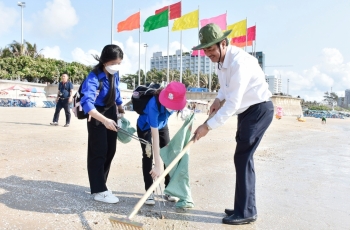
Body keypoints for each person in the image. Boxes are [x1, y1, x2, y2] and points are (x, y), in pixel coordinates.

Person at [192, 23, 274, 225]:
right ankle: (242, 206)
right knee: (242, 157)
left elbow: (234, 102)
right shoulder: (221, 62)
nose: (208, 54)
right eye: (205, 50)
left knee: (243, 157)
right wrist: (217, 100)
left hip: (258, 109)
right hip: (247, 112)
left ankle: (246, 211)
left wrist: (207, 126)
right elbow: (225, 90)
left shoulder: (239, 63)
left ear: (223, 43)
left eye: (211, 49)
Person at [80, 44, 125, 204]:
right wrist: (104, 120)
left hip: (111, 111)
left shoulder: (115, 74)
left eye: (119, 63)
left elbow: (116, 92)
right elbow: (87, 103)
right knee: (98, 151)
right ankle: (98, 190)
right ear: (105, 61)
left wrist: (120, 109)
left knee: (110, 150)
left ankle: (102, 184)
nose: (116, 66)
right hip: (97, 116)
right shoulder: (93, 77)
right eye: (114, 63)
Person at [136, 82, 187, 205]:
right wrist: (157, 166)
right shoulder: (153, 104)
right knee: (148, 156)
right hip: (146, 127)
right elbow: (155, 136)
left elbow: (183, 106)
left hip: (162, 125)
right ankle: (149, 192)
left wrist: (187, 113)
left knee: (168, 154)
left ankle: (168, 189)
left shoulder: (178, 100)